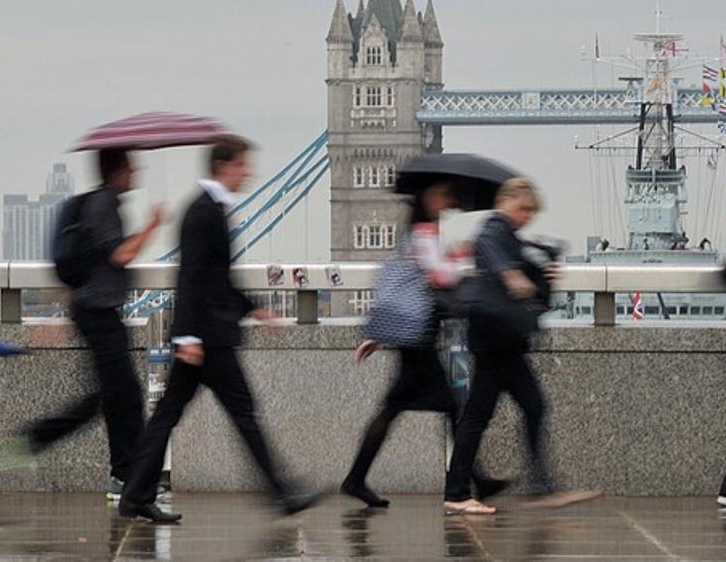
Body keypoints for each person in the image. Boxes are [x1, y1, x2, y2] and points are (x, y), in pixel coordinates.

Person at [119, 135, 323, 523]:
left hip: (208, 335)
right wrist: (187, 337)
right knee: (242, 413)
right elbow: (192, 276)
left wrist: (256, 310)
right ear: (224, 166)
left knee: (169, 415)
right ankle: (282, 494)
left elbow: (217, 278)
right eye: (243, 165)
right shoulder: (202, 213)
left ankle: (135, 495)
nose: (249, 173)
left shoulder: (211, 209)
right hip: (207, 340)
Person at [342, 181, 508, 508]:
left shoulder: (416, 235)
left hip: (418, 337)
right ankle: (471, 481)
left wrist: (378, 335)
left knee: (401, 409)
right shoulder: (424, 234)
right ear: (426, 198)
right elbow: (441, 277)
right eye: (441, 194)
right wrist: (461, 259)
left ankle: (358, 478)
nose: (447, 200)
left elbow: (408, 285)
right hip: (419, 340)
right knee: (450, 408)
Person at [442, 177, 600, 515]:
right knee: (478, 417)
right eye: (524, 208)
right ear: (508, 201)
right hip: (495, 342)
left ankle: (542, 487)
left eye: (531, 211)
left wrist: (542, 274)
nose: (527, 216)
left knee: (531, 406)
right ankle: (457, 494)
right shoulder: (494, 228)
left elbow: (524, 274)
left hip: (505, 343)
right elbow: (491, 252)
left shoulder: (512, 237)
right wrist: (513, 276)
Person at [16, 149, 163, 499]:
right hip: (98, 312)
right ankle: (38, 439)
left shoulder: (100, 203)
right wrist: (154, 224)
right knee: (120, 395)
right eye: (130, 166)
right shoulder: (105, 204)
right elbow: (121, 255)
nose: (135, 171)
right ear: (117, 171)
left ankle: (122, 475)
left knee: (117, 396)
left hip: (96, 310)